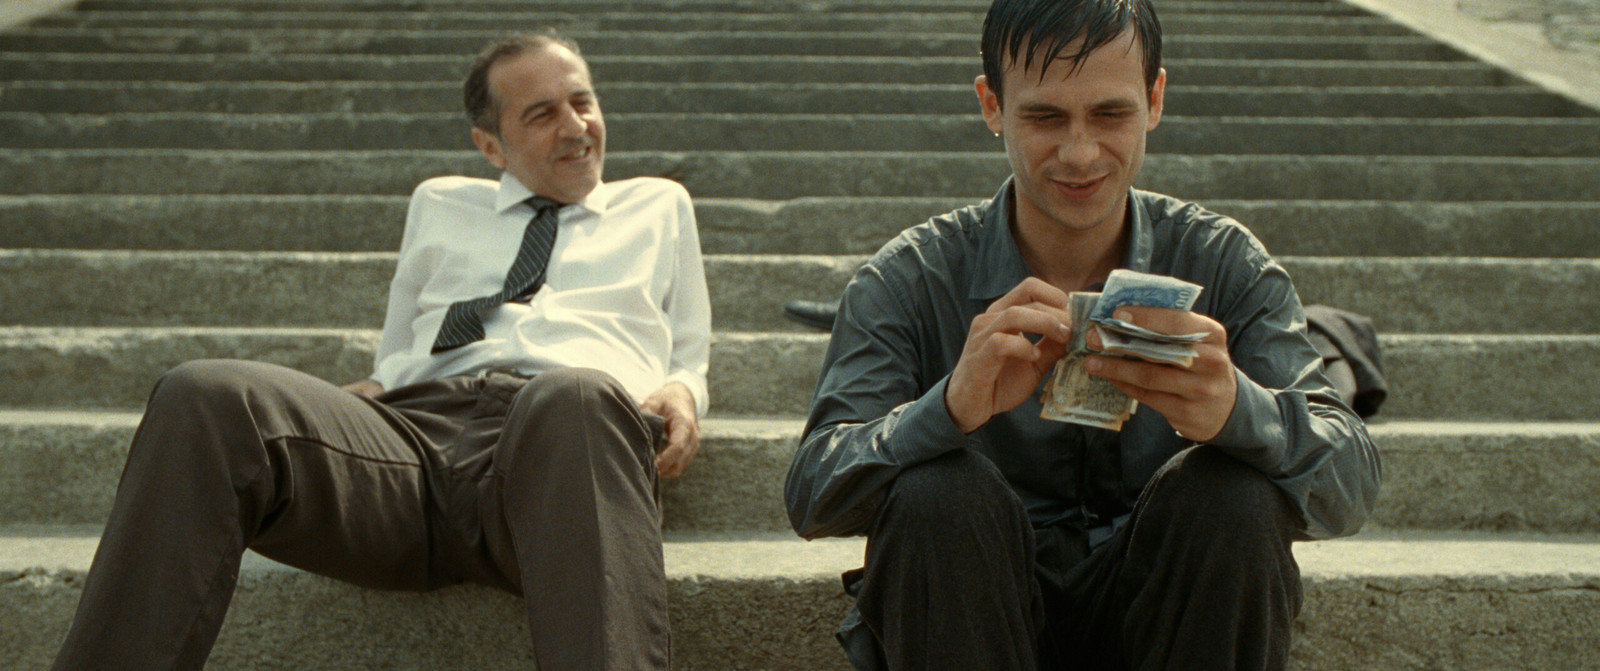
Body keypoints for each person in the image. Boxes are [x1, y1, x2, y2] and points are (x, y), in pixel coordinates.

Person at [53, 30, 709, 670]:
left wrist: (683, 389)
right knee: (203, 393)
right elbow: (397, 351)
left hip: (564, 456)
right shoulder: (439, 202)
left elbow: (688, 351)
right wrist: (358, 399)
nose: (575, 126)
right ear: (490, 145)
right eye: (542, 114)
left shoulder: (658, 204)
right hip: (412, 446)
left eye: (583, 101)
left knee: (575, 393)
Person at [783, 1, 1382, 669]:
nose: (1079, 153)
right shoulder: (910, 278)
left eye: (1110, 114)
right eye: (1044, 117)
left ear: (1155, 99)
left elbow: (1352, 484)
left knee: (1232, 497)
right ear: (991, 106)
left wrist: (1240, 411)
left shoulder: (1225, 263)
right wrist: (947, 408)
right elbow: (812, 493)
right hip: (974, 610)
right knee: (938, 495)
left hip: (1168, 614)